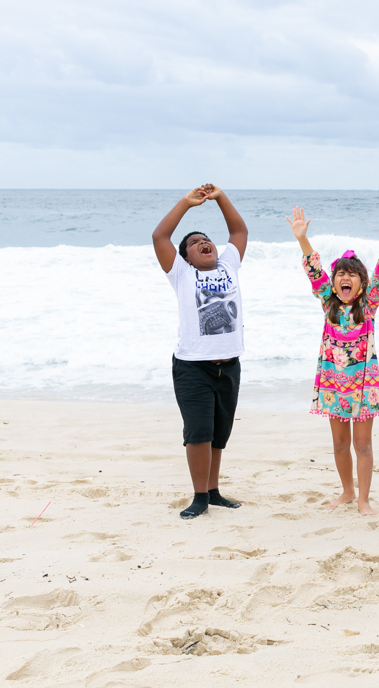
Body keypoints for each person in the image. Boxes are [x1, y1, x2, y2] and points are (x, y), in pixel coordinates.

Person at [286, 206, 379, 516]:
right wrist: (303, 240)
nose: (345, 277)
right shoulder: (328, 302)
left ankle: (364, 499)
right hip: (332, 384)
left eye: (352, 274)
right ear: (334, 282)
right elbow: (315, 272)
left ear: (361, 284)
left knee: (362, 444)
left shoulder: (368, 306)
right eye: (340, 273)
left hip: (364, 384)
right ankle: (348, 491)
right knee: (340, 444)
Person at [152, 184, 248, 520]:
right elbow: (160, 237)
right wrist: (186, 203)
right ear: (186, 257)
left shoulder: (228, 265)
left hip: (229, 365)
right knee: (198, 433)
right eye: (193, 243)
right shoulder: (181, 273)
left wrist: (221, 198)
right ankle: (199, 497)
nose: (202, 242)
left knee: (218, 435)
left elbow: (238, 231)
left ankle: (213, 491)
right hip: (193, 367)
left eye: (205, 239)